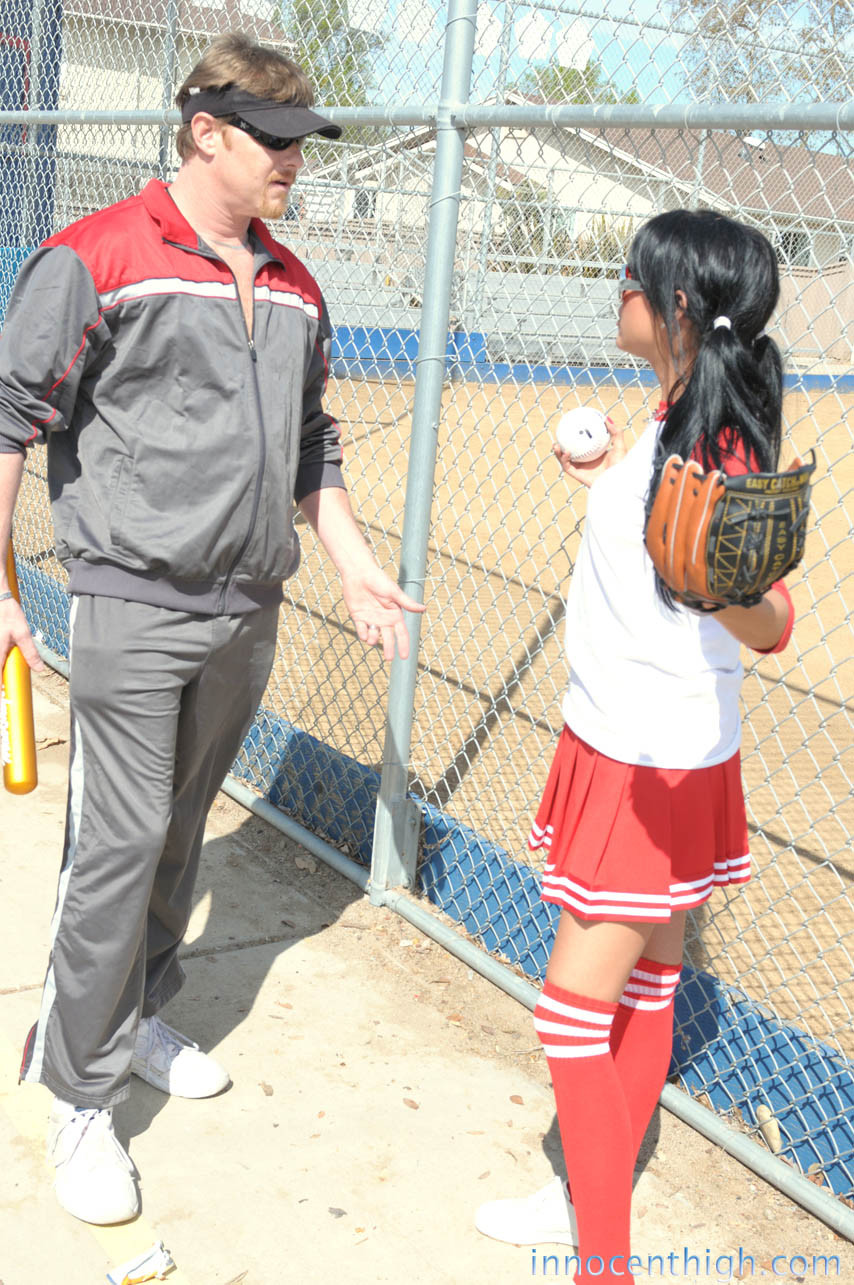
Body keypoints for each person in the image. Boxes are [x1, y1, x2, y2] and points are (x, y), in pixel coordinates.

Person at [0, 32, 423, 1226]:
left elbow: (309, 444)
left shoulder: (292, 282)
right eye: (275, 140)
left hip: (249, 611)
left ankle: (131, 1018)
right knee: (116, 853)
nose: (296, 161)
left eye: (302, 141)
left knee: (180, 839)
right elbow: (10, 417)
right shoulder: (97, 257)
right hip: (131, 603)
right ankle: (74, 1092)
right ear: (205, 131)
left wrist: (349, 564)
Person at [474, 210, 795, 1281]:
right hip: (627, 737)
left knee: (569, 1011)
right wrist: (610, 478)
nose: (613, 291)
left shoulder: (721, 445)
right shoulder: (678, 417)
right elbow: (648, 530)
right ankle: (582, 1193)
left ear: (674, 310)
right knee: (648, 985)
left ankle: (600, 1260)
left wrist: (724, 581)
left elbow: (770, 620)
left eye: (629, 278)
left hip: (647, 760)